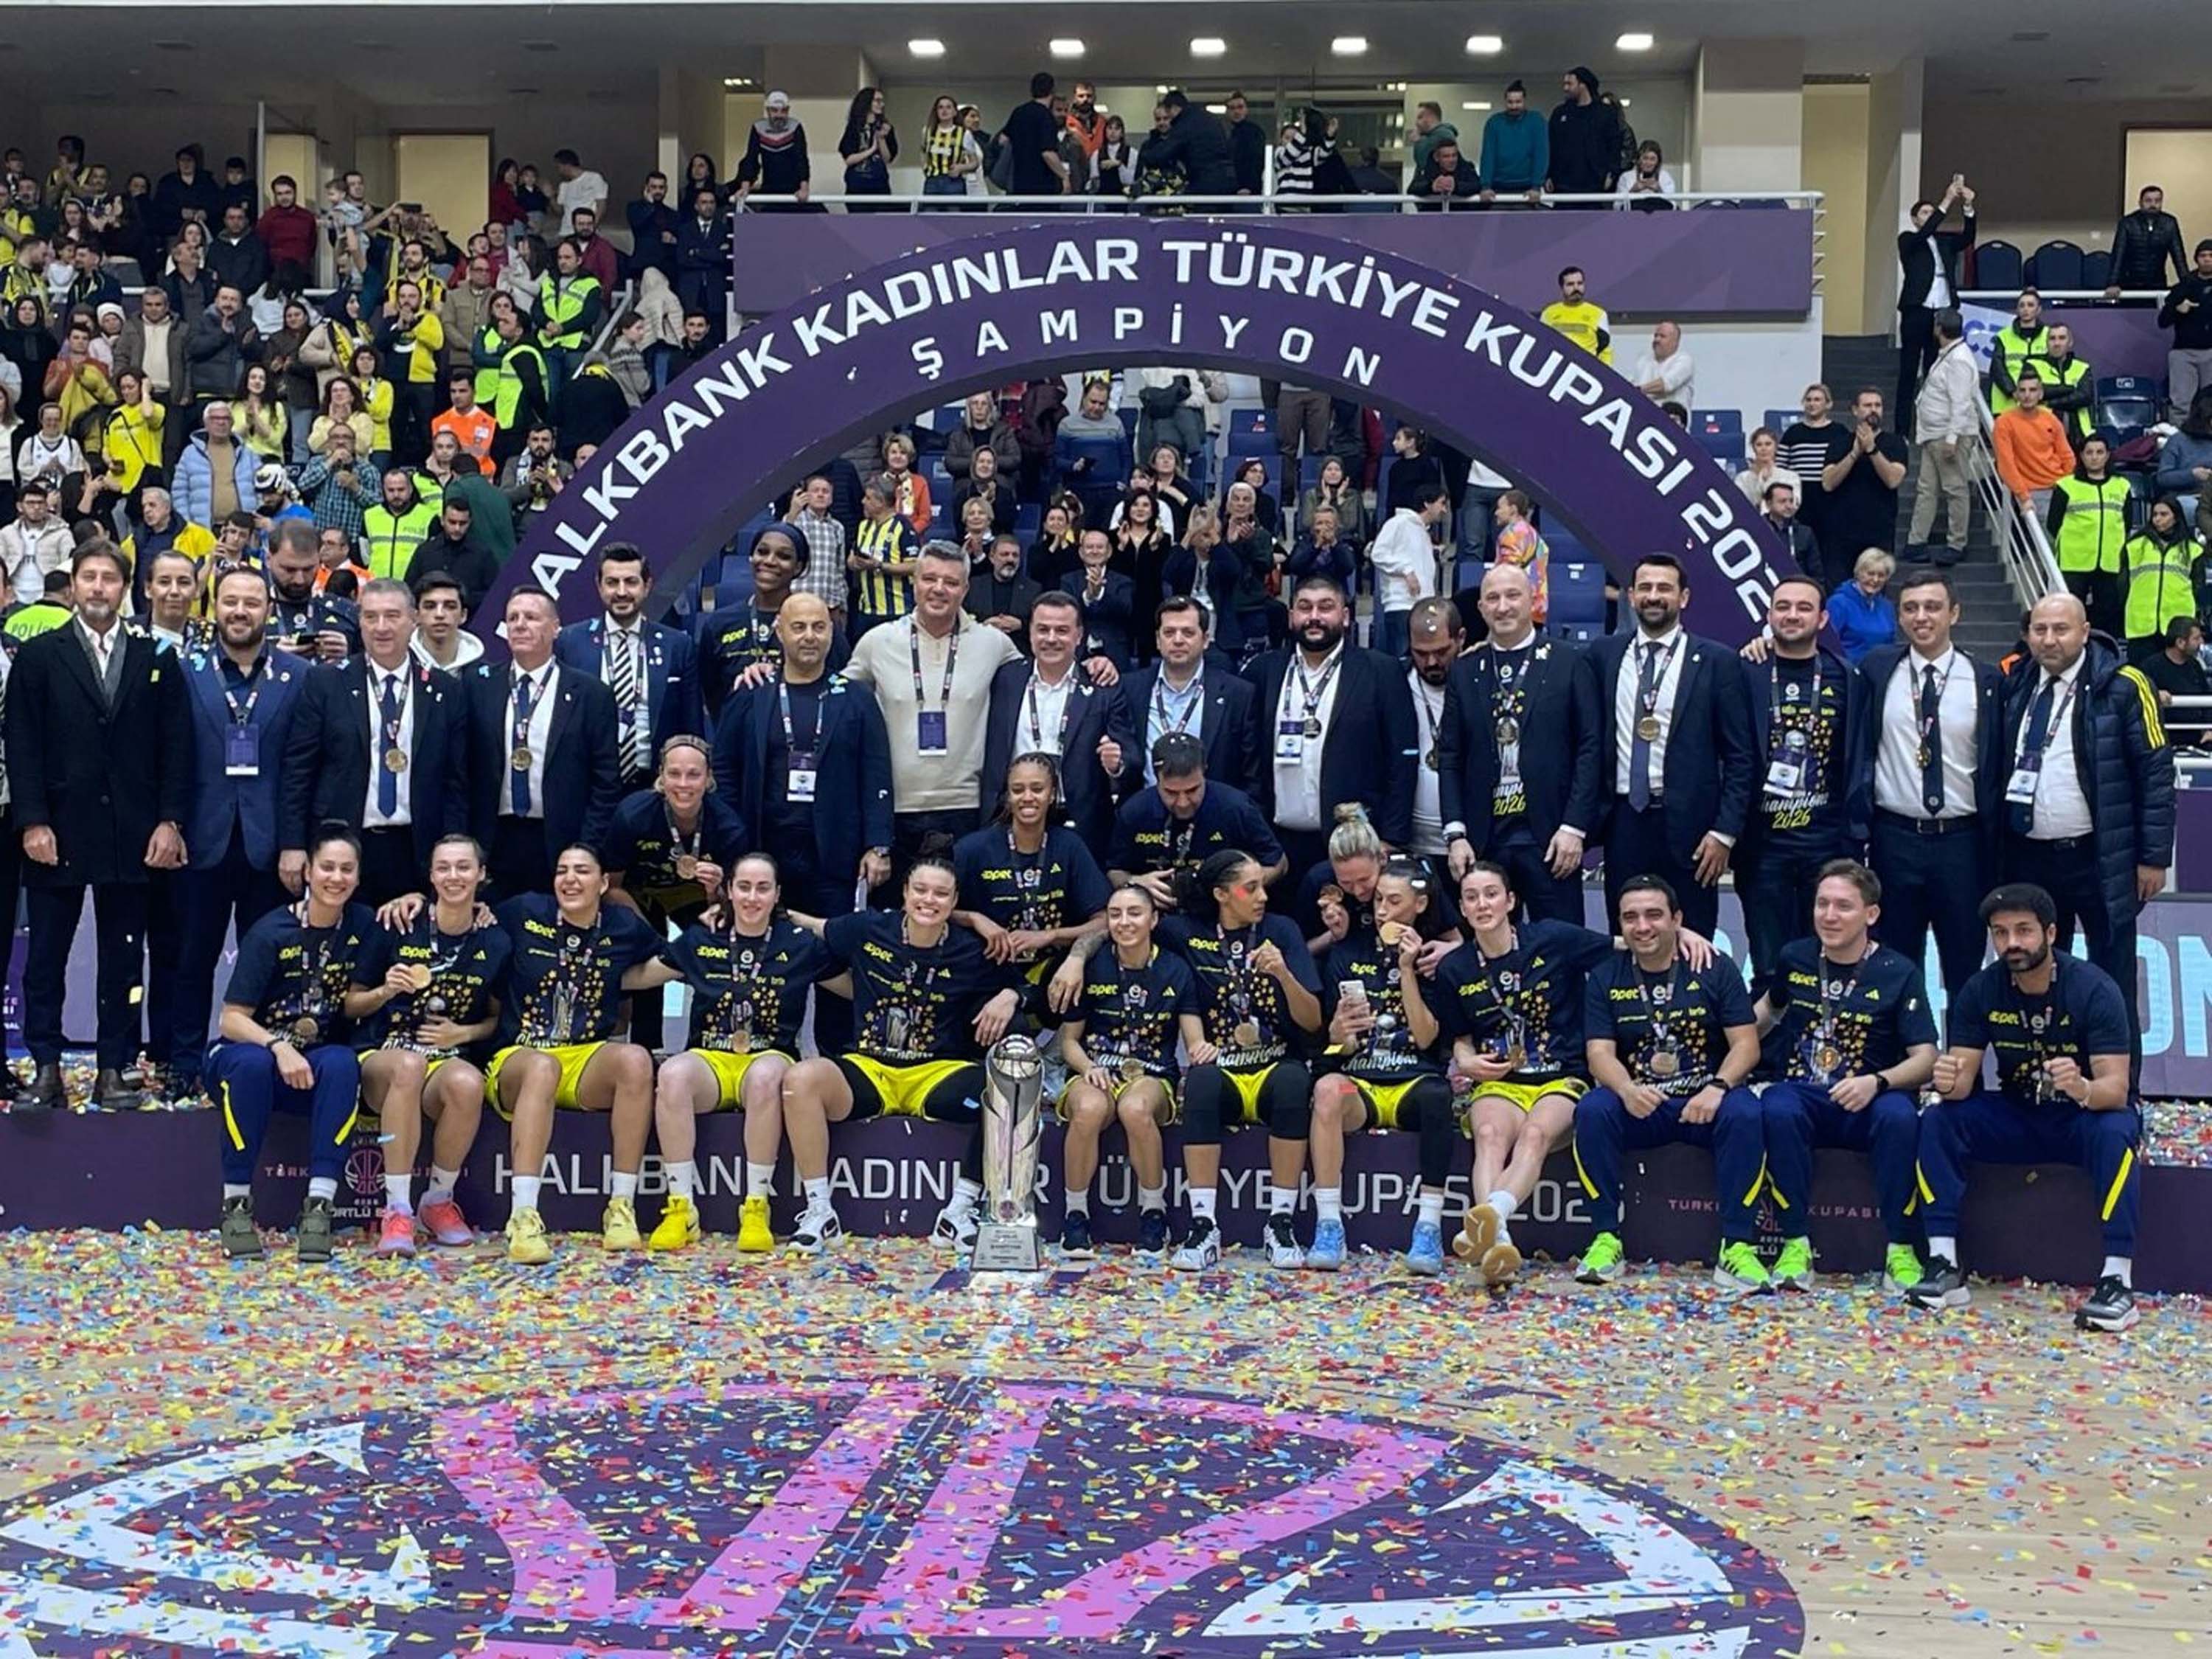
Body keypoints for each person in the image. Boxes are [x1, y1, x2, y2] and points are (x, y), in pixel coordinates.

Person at [4, 542, 189, 1110]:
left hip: (132, 832)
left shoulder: (155, 655)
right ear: (74, 585)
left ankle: (114, 1067)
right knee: (46, 959)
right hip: (57, 831)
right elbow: (22, 745)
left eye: (110, 578)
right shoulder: (40, 656)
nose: (99, 587)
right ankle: (46, 1067)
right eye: (90, 577)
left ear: (125, 588)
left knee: (124, 958)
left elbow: (176, 747)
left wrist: (170, 821)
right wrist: (32, 821)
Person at [1910, 883, 2143, 1332]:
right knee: (1940, 1118)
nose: (2012, 943)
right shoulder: (1981, 989)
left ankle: (2117, 1281)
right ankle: (1943, 1264)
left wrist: (2080, 1087)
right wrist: (1946, 1079)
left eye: (2023, 931)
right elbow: (1961, 1083)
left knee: (2118, 1128)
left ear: (2051, 933)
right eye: (2000, 933)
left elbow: (2116, 1090)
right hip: (2019, 1113)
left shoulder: (2094, 989)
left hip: (2081, 1116)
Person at [779, 849, 1023, 1253]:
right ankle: (820, 1211)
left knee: (1008, 1085)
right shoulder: (869, 927)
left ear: (955, 901)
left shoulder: (972, 949)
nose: (929, 900)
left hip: (937, 1073)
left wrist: (1010, 995)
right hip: (869, 1068)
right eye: (920, 890)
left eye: (941, 894)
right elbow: (817, 927)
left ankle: (959, 1211)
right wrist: (762, 912)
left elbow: (1025, 986)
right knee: (800, 1079)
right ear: (905, 892)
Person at [1433, 859, 1630, 1287]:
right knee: (1488, 1136)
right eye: (1471, 898)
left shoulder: (1552, 939)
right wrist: (1466, 1060)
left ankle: (1490, 1219)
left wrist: (1682, 935)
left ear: (1510, 901)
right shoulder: (1455, 968)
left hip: (1560, 1075)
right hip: (1499, 1080)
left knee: (1535, 1135)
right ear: (1462, 909)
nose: (1482, 904)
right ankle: (1498, 1245)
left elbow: (1622, 944)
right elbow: (1459, 1038)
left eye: (1491, 894)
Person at [482, 844, 680, 1263]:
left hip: (584, 1058)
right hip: (522, 1056)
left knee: (635, 1060)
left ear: (604, 883)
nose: (570, 879)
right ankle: (523, 1216)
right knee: (542, 1067)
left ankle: (621, 1208)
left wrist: (711, 932)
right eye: (562, 871)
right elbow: (469, 922)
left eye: (582, 871)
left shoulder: (622, 925)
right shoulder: (522, 911)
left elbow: (667, 957)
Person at [1997, 593, 2173, 1064]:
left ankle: (2120, 1091)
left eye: (2061, 629)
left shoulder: (2125, 684)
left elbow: (2156, 773)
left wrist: (2154, 857)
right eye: (2040, 630)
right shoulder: (2015, 681)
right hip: (2030, 859)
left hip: (2101, 858)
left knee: (2112, 982)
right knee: (2036, 981)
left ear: (2085, 631)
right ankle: (2043, 1085)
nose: (2049, 640)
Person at [1571, 874, 1765, 1290]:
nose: (1642, 926)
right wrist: (1627, 1090)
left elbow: (1747, 1046)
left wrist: (1718, 1088)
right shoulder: (1606, 976)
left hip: (1704, 1103)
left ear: (1677, 919)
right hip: (1643, 1104)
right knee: (1593, 1109)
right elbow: (1599, 1053)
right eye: (1631, 918)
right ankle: (1605, 1238)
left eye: (1654, 915)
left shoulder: (1715, 967)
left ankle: (1738, 1245)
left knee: (1747, 1110)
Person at [1753, 860, 1938, 1290]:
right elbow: (1769, 1011)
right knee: (1776, 1105)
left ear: (1871, 914)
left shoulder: (1899, 972)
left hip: (1870, 1095)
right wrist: (1730, 1042)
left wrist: (1878, 1082)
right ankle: (1795, 1245)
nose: (1830, 916)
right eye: (1822, 904)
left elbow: (1927, 1058)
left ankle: (1901, 1249)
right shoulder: (1795, 957)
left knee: (1900, 1116)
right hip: (1806, 1093)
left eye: (1843, 906)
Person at [647, 852, 841, 1254]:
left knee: (766, 1077)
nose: (753, 898)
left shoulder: (799, 944)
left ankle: (755, 1207)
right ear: (729, 892)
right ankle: (681, 1207)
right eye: (745, 887)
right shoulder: (702, 938)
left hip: (770, 1056)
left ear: (777, 895)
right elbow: (639, 975)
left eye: (763, 888)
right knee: (672, 1074)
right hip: (712, 1060)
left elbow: (857, 986)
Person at [170, 566, 310, 1095]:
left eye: (252, 602)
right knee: (191, 960)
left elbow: (303, 767)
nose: (240, 612)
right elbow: (171, 758)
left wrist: (295, 843)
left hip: (271, 847)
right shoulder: (187, 670)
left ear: (268, 610)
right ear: (214, 607)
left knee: (269, 964)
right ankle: (184, 1065)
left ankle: (263, 1064)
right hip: (201, 840)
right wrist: (172, 824)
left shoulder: (300, 676)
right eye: (230, 601)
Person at [202, 827, 374, 1259]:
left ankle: (319, 1208)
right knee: (253, 1065)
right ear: (308, 872)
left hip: (313, 1067)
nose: (336, 878)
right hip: (250, 1056)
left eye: (347, 869)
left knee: (343, 1063)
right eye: (327, 868)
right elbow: (231, 1019)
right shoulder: (271, 931)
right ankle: (236, 1206)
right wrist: (278, 1047)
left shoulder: (365, 925)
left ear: (358, 877)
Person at [349, 833, 507, 1254]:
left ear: (481, 874)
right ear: (431, 876)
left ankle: (437, 1201)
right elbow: (350, 1003)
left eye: (464, 867)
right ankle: (397, 1209)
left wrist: (464, 1034)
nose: (454, 876)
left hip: (443, 1059)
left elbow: (497, 1020)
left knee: (468, 1083)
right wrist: (385, 991)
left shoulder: (495, 940)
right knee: (408, 1066)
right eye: (444, 868)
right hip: (383, 1056)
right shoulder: (398, 923)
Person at [1590, 555, 1754, 938]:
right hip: (1624, 821)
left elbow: (1740, 757)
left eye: (1664, 588)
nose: (1654, 596)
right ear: (1631, 596)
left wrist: (1724, 832)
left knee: (1694, 940)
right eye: (1645, 588)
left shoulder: (1718, 661)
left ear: (1684, 598)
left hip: (1694, 829)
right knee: (1628, 935)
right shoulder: (1603, 655)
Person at [1307, 852, 1455, 1273]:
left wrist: (1407, 970)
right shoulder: (1347, 953)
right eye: (1378, 902)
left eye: (1394, 901)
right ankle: (1328, 1224)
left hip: (1414, 1081)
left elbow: (1426, 1038)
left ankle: (1428, 1227)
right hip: (1363, 1083)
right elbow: (1337, 1047)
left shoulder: (1437, 960)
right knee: (1327, 1089)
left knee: (1438, 1097)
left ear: (1420, 904)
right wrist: (1338, 1033)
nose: (1383, 911)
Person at [281, 577, 468, 906]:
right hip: (344, 843)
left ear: (414, 619)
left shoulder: (444, 690)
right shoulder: (326, 682)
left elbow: (456, 782)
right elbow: (299, 770)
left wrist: (455, 848)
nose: (381, 627)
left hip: (418, 846)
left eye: (392, 616)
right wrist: (293, 844)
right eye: (370, 616)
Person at [843, 543, 1023, 874]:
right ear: (914, 582)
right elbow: (835, 695)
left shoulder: (994, 643)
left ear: (965, 590)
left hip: (968, 808)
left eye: (951, 582)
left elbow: (1042, 677)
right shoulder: (877, 641)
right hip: (896, 807)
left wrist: (1095, 665)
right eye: (930, 579)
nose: (939, 589)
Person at [713, 594, 892, 927]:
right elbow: (724, 770)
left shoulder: (857, 699)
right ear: (780, 632)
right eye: (799, 627)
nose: (810, 636)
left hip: (835, 852)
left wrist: (878, 845)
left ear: (831, 633)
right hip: (763, 848)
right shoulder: (751, 693)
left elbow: (876, 773)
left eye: (819, 627)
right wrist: (729, 841)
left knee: (830, 946)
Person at [1051, 882, 1206, 1256]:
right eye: (1115, 914)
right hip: (1095, 1068)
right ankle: (1075, 1217)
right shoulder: (1091, 966)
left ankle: (1154, 1214)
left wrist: (1203, 1048)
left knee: (1135, 1109)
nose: (1124, 922)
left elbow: (1194, 1039)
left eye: (1134, 913)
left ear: (1154, 920)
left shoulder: (1176, 969)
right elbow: (1068, 1042)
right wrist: (1088, 1068)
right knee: (1089, 1108)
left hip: (1153, 1074)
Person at [1439, 564, 1599, 924]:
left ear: (1534, 600)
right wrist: (1455, 834)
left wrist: (1574, 827)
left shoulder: (1569, 661)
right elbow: (1450, 757)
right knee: (1489, 947)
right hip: (1484, 840)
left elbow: (1590, 749)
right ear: (1481, 608)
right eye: (1493, 598)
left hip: (1551, 839)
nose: (1503, 607)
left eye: (1513, 596)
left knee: (1559, 945)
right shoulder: (1465, 670)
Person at [1731, 576, 1866, 1001]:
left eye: (1804, 608)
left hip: (1827, 847)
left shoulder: (1847, 677)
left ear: (1822, 619)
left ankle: (1822, 1041)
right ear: (1769, 615)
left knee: (1828, 962)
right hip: (1762, 847)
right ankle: (1770, 1042)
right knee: (1768, 966)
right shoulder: (1744, 670)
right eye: (1783, 606)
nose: (1792, 615)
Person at [1245, 576, 1416, 875]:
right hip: (1275, 844)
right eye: (1305, 607)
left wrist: (1392, 837)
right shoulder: (1263, 671)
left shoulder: (1381, 671)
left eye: (1325, 607)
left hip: (1354, 844)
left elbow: (1402, 761)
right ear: (1291, 616)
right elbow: (1249, 758)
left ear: (1345, 616)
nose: (1314, 617)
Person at [463, 588, 621, 898]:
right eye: (513, 618)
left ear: (556, 628)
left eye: (532, 617)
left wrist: (587, 846)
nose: (520, 625)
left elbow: (605, 781)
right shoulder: (477, 686)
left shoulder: (591, 694)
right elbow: (462, 770)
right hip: (493, 840)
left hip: (563, 841)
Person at [953, 751, 1109, 1009]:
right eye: (1018, 790)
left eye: (1037, 789)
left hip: (1052, 969)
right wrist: (975, 919)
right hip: (989, 970)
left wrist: (1049, 936)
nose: (1027, 797)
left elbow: (1105, 922)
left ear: (1052, 794)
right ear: (1007, 796)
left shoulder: (1069, 846)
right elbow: (930, 910)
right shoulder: (973, 849)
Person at [980, 591, 1132, 849]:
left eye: (1062, 630)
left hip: (1080, 825)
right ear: (1030, 633)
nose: (1051, 639)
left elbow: (1131, 756)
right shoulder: (1004, 679)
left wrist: (1117, 764)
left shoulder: (1102, 685)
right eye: (1043, 630)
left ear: (1079, 635)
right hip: (1010, 818)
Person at [552, 543, 702, 793]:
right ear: (599, 586)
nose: (621, 592)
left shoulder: (677, 646)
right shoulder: (569, 642)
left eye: (631, 582)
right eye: (612, 583)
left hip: (655, 787)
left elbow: (692, 727)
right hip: (588, 784)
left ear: (647, 585)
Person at [1109, 730, 1282, 904]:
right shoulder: (1134, 811)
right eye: (1171, 793)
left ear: (1204, 772)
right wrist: (1135, 884)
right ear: (1156, 779)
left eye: (1192, 790)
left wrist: (1237, 892)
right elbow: (1114, 871)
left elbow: (1278, 864)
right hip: (1156, 912)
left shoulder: (1236, 808)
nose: (1183, 803)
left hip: (1225, 910)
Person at [1122, 597, 1259, 793]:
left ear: (1205, 640)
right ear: (1158, 640)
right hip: (1146, 807)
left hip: (1214, 808)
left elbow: (1252, 775)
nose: (1178, 640)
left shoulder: (1238, 694)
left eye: (1188, 633)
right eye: (1169, 633)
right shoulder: (1130, 688)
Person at [1894, 177, 1976, 427]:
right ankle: (1902, 429)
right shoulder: (1908, 240)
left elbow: (1968, 238)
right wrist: (1947, 200)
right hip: (1917, 308)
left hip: (1942, 310)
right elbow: (1926, 232)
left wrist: (1968, 207)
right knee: (1909, 369)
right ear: (1915, 219)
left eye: (1932, 212)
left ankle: (1930, 424)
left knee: (1936, 370)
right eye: (1925, 213)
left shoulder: (1944, 242)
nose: (1930, 216)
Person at [2043, 434, 2131, 638]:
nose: (2094, 457)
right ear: (2081, 456)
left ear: (2107, 455)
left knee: (2106, 615)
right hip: (2074, 562)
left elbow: (2126, 523)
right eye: (2089, 452)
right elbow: (2053, 524)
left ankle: (2102, 652)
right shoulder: (2066, 486)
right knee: (2070, 614)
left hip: (2109, 562)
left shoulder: (2122, 486)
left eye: (2100, 452)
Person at [1907, 309, 1978, 562]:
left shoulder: (1958, 359)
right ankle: (1916, 541)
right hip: (1933, 434)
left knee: (1955, 489)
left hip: (1948, 435)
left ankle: (1957, 544)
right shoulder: (1951, 354)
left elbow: (1961, 402)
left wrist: (1952, 438)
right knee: (1926, 489)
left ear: (1938, 328)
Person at [1817, 388, 1908, 568]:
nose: (1873, 410)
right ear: (1855, 410)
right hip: (1841, 531)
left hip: (1879, 530)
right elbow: (1828, 483)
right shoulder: (1839, 442)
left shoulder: (1896, 443)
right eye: (1867, 405)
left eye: (1878, 405)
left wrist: (1872, 450)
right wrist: (1854, 453)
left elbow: (1893, 480)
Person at [1367, 484, 1445, 657]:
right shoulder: (1398, 523)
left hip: (1422, 607)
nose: (1444, 510)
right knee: (1403, 658)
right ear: (1427, 504)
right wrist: (1407, 570)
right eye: (1441, 503)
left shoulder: (1423, 533)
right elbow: (1378, 553)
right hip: (1402, 604)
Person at [2120, 497, 2200, 663]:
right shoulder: (2135, 546)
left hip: (2178, 628)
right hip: (2141, 626)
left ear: (2176, 517)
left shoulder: (2192, 549)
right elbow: (2122, 585)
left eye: (2164, 514)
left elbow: (2197, 586)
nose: (2158, 519)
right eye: (2155, 514)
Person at [1992, 370, 2073, 521]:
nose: (2027, 395)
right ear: (2016, 394)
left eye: (2032, 390)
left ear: (2040, 394)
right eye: (2022, 390)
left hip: (2059, 488)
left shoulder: (2051, 419)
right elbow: (2006, 464)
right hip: (2032, 492)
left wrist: (2068, 486)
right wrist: (2023, 497)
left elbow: (2067, 456)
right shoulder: (2004, 423)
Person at [1780, 383, 1843, 549]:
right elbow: (1781, 468)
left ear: (1828, 404)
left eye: (1817, 400)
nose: (1812, 404)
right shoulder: (1793, 433)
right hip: (1800, 497)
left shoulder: (1839, 432)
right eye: (1808, 400)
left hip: (1829, 497)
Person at [2159, 240, 2212, 424]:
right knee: (2181, 404)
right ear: (2196, 259)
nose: (2207, 259)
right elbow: (2162, 321)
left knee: (2210, 403)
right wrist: (2177, 309)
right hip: (2183, 353)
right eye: (2203, 256)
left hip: (2211, 351)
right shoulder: (2183, 286)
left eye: (2211, 256)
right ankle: (2179, 438)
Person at [1546, 66, 1620, 198]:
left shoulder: (1606, 114)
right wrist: (1549, 174)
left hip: (1596, 183)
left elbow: (1614, 146)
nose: (1565, 88)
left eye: (1569, 84)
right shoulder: (1560, 113)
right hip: (1563, 184)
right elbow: (1551, 145)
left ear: (1582, 85)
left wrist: (1611, 173)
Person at [2138, 616, 2210, 749]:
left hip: (2198, 740)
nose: (2201, 642)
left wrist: (2209, 729)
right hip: (2163, 740)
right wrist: (2154, 693)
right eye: (2196, 638)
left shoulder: (2195, 666)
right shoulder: (2150, 667)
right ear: (2180, 642)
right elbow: (2137, 698)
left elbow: (2206, 698)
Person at [2107, 184, 2188, 299]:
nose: (2153, 205)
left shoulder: (2169, 223)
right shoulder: (2128, 223)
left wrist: (2187, 285)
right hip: (2130, 283)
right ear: (2140, 202)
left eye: (2157, 201)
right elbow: (2118, 254)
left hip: (2157, 283)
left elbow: (2179, 256)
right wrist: (2113, 283)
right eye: (2148, 201)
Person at [1479, 82, 1548, 205]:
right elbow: (1488, 155)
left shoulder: (1537, 121)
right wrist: (1486, 186)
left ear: (1524, 101)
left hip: (1528, 189)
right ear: (1505, 102)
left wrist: (1536, 186)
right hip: (1497, 189)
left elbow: (1541, 154)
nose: (1514, 106)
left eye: (1518, 102)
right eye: (1510, 102)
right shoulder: (1494, 123)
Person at [1826, 548, 1899, 662]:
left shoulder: (1887, 606)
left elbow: (1892, 643)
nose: (1875, 580)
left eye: (1881, 575)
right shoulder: (1838, 603)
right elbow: (1828, 645)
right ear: (1859, 573)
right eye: (1870, 574)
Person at [1987, 288, 2048, 418]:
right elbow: (1997, 369)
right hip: (2007, 405)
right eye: (2022, 305)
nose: (2026, 309)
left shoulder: (2050, 336)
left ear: (2039, 310)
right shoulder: (2003, 336)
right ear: (2017, 310)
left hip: (2041, 406)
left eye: (2030, 305)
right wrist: (2014, 391)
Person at [410, 571, 484, 673]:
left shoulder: (484, 672)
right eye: (430, 606)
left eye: (450, 607)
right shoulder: (400, 663)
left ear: (463, 615)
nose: (440, 614)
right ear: (416, 615)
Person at [1539, 265, 1611, 361]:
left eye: (1580, 283)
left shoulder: (1599, 314)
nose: (1576, 288)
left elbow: (1605, 350)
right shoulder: (1548, 314)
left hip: (1586, 367)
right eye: (1570, 284)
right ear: (1562, 288)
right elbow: (1542, 344)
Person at [1632, 321, 1695, 410]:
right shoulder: (1643, 361)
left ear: (1675, 342)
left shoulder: (1684, 360)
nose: (1657, 340)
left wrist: (1637, 390)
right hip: (1644, 414)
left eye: (1662, 336)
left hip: (1672, 416)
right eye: (1656, 336)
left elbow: (1666, 384)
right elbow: (1633, 384)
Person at [1408, 139, 1481, 210]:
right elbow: (1413, 188)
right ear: (1436, 158)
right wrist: (1432, 186)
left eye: (1454, 155)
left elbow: (1478, 185)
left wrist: (1456, 186)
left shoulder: (1466, 168)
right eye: (1446, 156)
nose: (1451, 160)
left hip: (1463, 215)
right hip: (1433, 216)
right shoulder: (1427, 169)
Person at [1613, 141, 1675, 209]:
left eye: (1652, 159)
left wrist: (1659, 190)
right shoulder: (1626, 177)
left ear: (1658, 162)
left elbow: (1673, 206)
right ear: (1639, 160)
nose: (1648, 163)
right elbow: (1617, 206)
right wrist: (1633, 191)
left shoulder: (1665, 177)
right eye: (1645, 158)